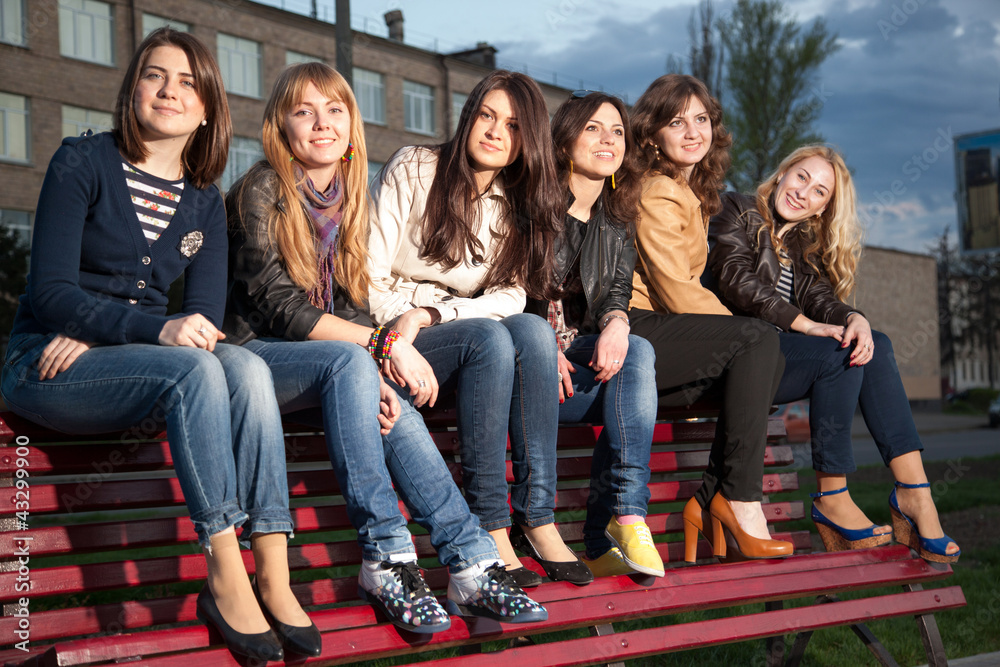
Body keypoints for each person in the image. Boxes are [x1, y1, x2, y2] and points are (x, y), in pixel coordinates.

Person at [0, 29, 309, 661]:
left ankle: (274, 570)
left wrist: (129, 334)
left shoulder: (202, 202)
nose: (169, 90)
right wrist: (143, 330)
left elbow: (199, 319)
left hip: (125, 362)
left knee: (244, 366)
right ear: (132, 88)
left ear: (207, 108)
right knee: (194, 372)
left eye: (188, 82)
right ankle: (225, 575)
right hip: (45, 363)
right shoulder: (80, 162)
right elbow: (52, 293)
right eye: (154, 75)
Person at [223, 62, 548, 632]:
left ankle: (470, 563)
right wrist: (380, 345)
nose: (322, 124)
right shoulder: (261, 190)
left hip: (328, 363)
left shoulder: (347, 196)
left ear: (352, 122)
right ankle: (387, 553)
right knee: (358, 360)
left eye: (335, 110)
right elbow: (282, 310)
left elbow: (349, 301)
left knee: (380, 391)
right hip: (257, 359)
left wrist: (376, 357)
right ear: (281, 126)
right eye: (304, 111)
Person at [368, 71, 592, 586]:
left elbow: (512, 295)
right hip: (389, 337)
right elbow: (369, 280)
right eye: (486, 116)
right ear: (468, 116)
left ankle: (537, 516)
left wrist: (433, 312)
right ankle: (489, 523)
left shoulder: (516, 202)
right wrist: (422, 314)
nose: (494, 131)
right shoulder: (415, 168)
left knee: (532, 331)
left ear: (526, 139)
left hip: (442, 330)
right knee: (493, 334)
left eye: (512, 125)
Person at [707, 144, 959, 563]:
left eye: (820, 192)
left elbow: (823, 299)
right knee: (836, 355)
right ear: (784, 173)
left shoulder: (803, 249)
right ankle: (833, 497)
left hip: (776, 360)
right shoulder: (735, 208)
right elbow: (734, 279)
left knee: (873, 345)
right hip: (735, 358)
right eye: (802, 177)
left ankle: (915, 494)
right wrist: (804, 324)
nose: (805, 192)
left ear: (823, 209)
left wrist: (854, 318)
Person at [626, 74, 794, 562]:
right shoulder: (658, 190)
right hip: (639, 329)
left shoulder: (689, 191)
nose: (693, 131)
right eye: (676, 122)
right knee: (760, 344)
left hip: (668, 337)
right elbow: (678, 290)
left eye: (701, 120)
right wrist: (755, 332)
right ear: (653, 133)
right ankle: (736, 498)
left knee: (766, 362)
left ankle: (712, 498)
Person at [523, 91, 662, 578]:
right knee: (625, 399)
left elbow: (616, 291)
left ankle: (627, 516)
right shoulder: (531, 202)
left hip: (574, 360)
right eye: (594, 129)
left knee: (636, 351)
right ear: (564, 141)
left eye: (618, 131)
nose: (609, 140)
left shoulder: (617, 216)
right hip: (522, 361)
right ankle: (604, 530)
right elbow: (505, 289)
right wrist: (539, 342)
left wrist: (618, 323)